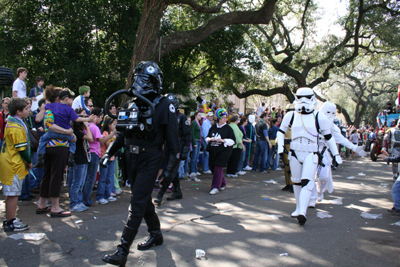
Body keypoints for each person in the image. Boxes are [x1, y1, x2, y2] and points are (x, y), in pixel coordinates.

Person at [101, 61, 180, 266]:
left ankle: (122, 250)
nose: (139, 83)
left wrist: (170, 169)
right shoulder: (130, 104)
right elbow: (121, 135)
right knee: (143, 200)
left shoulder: (165, 105)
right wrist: (109, 152)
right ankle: (156, 234)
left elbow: (173, 143)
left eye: (143, 79)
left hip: (150, 158)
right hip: (131, 158)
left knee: (136, 203)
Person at [277, 87, 342, 225]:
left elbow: (329, 137)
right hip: (294, 152)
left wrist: (336, 154)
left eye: (307, 97)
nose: (303, 101)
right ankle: (298, 207)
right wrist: (280, 147)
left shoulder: (319, 116)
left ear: (312, 98)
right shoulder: (291, 115)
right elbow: (280, 131)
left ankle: (303, 212)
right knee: (296, 181)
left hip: (311, 153)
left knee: (307, 181)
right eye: (300, 98)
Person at [309, 102, 367, 207]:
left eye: (332, 113)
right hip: (311, 152)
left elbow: (342, 140)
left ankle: (320, 191)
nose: (330, 116)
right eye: (327, 112)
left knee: (323, 177)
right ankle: (312, 198)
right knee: (310, 176)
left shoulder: (333, 128)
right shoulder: (312, 121)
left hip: (323, 153)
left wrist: (355, 148)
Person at [0, 97, 32, 231]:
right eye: (26, 109)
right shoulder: (16, 126)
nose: (28, 111)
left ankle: (9, 218)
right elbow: (21, 148)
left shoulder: (13, 122)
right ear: (18, 111)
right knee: (13, 194)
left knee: (11, 194)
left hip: (10, 161)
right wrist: (28, 161)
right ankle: (11, 221)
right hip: (13, 163)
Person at [154, 93, 191, 204]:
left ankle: (160, 195)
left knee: (169, 171)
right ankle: (178, 191)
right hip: (166, 147)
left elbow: (187, 135)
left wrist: (184, 150)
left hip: (177, 148)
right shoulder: (165, 115)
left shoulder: (182, 117)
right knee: (173, 171)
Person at [82, 107, 114, 207]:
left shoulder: (87, 126)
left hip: (88, 152)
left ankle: (85, 198)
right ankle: (86, 199)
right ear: (96, 117)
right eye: (100, 117)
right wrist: (113, 134)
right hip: (94, 153)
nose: (101, 120)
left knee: (88, 177)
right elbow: (102, 141)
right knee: (91, 178)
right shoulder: (94, 127)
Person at [206, 109, 235, 195]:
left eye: (226, 118)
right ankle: (222, 182)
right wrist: (210, 139)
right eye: (223, 118)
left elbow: (233, 140)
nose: (225, 119)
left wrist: (223, 140)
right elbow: (207, 138)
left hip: (224, 151)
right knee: (212, 167)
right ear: (218, 118)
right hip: (213, 150)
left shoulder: (228, 128)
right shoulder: (213, 127)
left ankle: (215, 187)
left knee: (218, 167)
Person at [69, 115, 93, 212]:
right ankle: (74, 203)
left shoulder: (80, 132)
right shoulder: (77, 133)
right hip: (79, 160)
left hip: (84, 159)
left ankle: (79, 201)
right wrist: (87, 125)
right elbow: (90, 138)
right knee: (77, 183)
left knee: (81, 183)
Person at [96, 117, 118, 205]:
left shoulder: (113, 134)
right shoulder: (105, 133)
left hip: (112, 158)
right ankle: (100, 196)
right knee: (103, 178)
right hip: (105, 157)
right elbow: (109, 144)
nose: (115, 126)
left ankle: (108, 194)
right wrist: (114, 135)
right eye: (113, 124)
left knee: (109, 177)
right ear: (109, 125)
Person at [189, 111, 202, 179]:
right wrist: (194, 143)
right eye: (199, 115)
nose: (200, 116)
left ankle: (195, 169)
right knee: (194, 156)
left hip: (198, 141)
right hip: (196, 141)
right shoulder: (194, 123)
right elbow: (192, 133)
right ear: (196, 116)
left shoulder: (198, 123)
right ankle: (192, 170)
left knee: (196, 156)